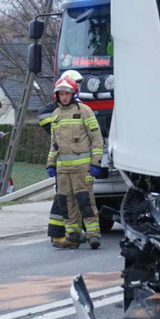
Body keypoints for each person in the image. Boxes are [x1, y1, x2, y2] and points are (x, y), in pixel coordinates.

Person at [46, 76, 104, 249]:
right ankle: (73, 236)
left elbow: (97, 139)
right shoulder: (55, 115)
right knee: (66, 203)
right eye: (61, 94)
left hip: (81, 169)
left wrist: (96, 163)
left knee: (85, 201)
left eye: (67, 93)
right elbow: (53, 143)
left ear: (73, 94)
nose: (64, 97)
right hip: (63, 170)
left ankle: (93, 235)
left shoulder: (85, 110)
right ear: (56, 95)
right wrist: (50, 163)